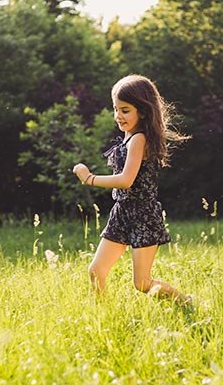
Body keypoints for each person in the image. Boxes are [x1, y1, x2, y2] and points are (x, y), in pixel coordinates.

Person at [72, 74, 191, 303]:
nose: (118, 115)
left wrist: (90, 178)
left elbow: (126, 180)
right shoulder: (127, 138)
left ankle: (186, 302)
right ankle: (103, 318)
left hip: (142, 215)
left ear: (143, 111)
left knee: (143, 284)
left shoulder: (139, 139)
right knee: (96, 271)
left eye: (125, 110)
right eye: (115, 109)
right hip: (122, 213)